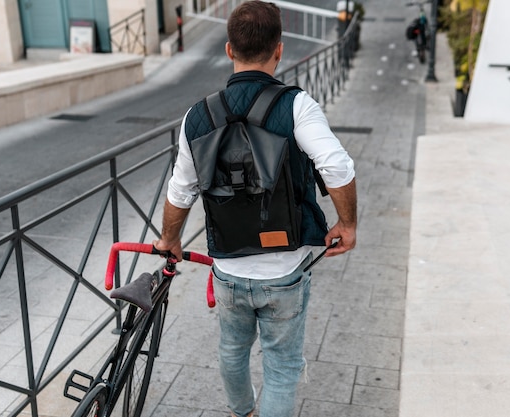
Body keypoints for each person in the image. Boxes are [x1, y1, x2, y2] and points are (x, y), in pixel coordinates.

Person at [153, 2, 357, 416]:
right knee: (281, 367)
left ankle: (241, 411)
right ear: (278, 50)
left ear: (229, 50)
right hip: (285, 269)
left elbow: (180, 192)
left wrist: (169, 240)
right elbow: (337, 166)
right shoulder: (296, 106)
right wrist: (347, 224)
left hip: (228, 267)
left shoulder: (198, 116)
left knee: (232, 351)